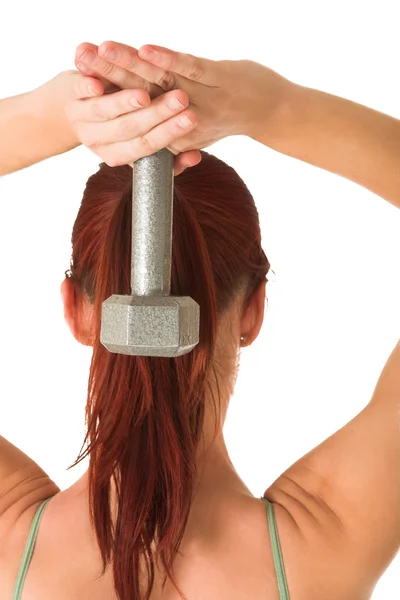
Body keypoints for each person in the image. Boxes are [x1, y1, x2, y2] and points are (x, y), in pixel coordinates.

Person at [0, 41, 398, 600]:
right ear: (255, 309)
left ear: (77, 310)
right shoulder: (326, 544)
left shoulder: (11, 550)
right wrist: (276, 107)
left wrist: (54, 116)